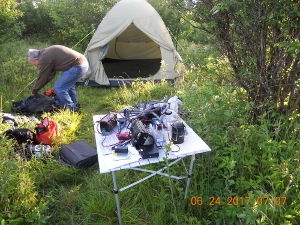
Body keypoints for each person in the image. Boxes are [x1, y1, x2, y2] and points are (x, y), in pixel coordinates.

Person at [27, 45, 89, 111]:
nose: (36, 66)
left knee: (59, 87)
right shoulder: (45, 53)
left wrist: (34, 91)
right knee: (68, 86)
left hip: (78, 66)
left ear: (36, 59)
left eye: (34, 64)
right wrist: (38, 88)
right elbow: (50, 74)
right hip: (82, 63)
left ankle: (72, 110)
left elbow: (43, 77)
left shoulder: (44, 59)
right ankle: (75, 103)